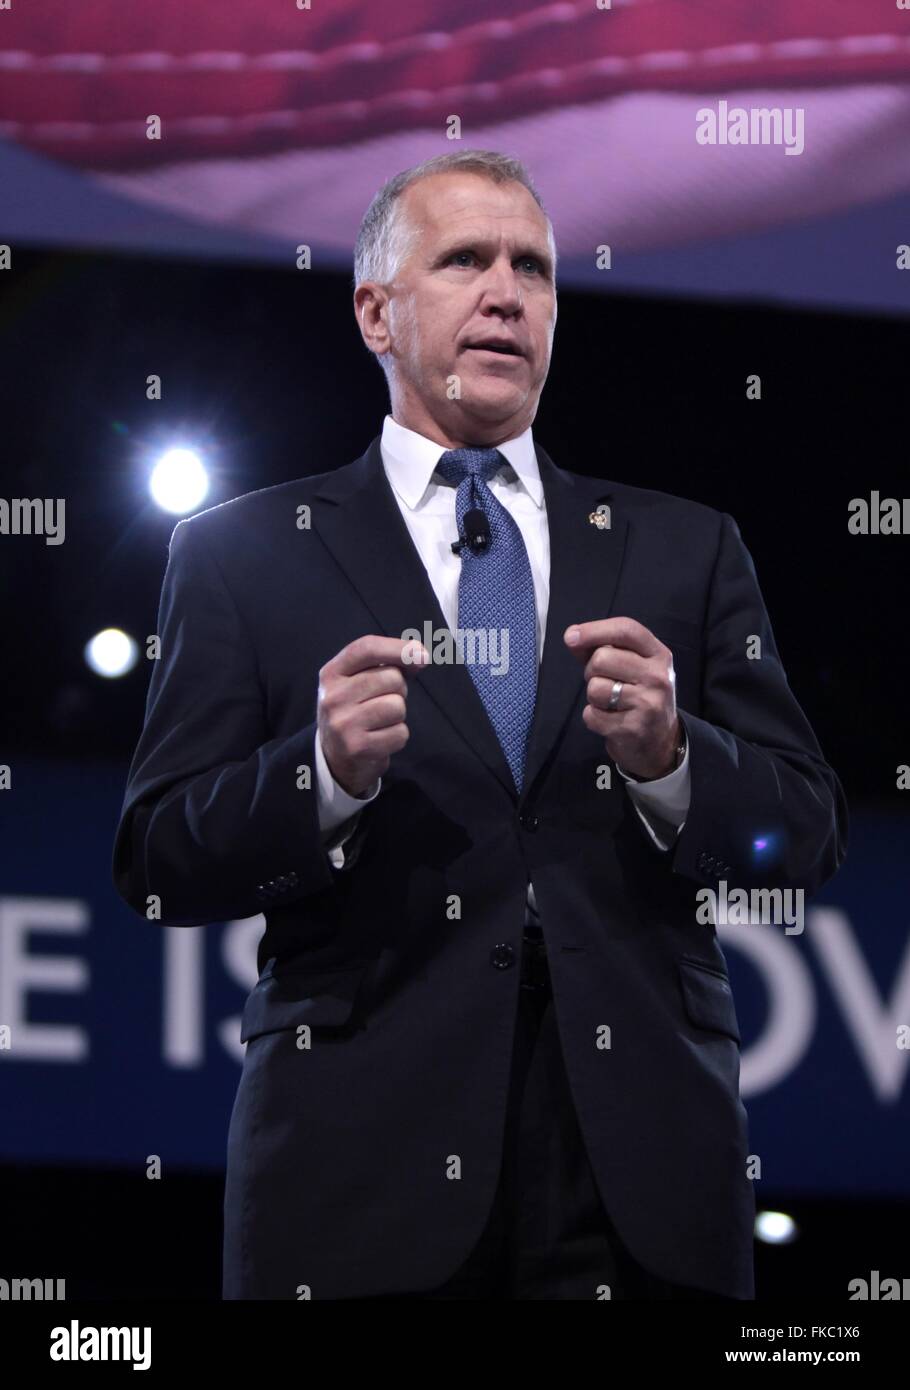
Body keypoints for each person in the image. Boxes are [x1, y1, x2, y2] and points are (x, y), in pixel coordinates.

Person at [113, 149, 847, 1300]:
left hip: (639, 1183)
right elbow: (158, 857)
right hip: (357, 1178)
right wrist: (320, 776)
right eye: (464, 261)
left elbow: (802, 834)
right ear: (375, 308)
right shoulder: (242, 552)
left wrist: (672, 761)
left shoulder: (683, 547)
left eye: (534, 269)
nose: (507, 292)